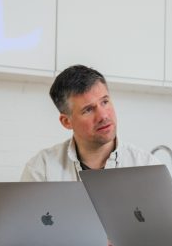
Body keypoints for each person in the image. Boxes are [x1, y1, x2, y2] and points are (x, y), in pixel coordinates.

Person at [21, 65, 159, 181]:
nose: (103, 116)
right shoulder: (41, 170)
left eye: (105, 102)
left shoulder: (147, 167)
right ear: (66, 121)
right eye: (88, 110)